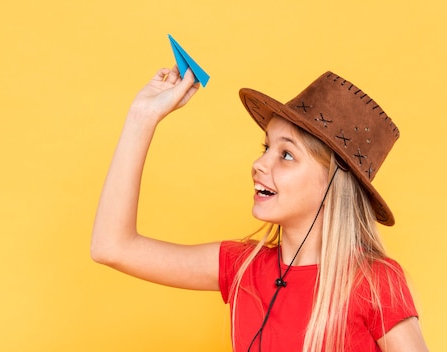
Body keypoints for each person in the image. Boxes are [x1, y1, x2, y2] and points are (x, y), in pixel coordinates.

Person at [91, 65, 429, 352]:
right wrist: (142, 116)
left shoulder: (374, 282)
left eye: (285, 155)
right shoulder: (243, 268)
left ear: (332, 183)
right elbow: (111, 247)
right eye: (266, 147)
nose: (259, 164)